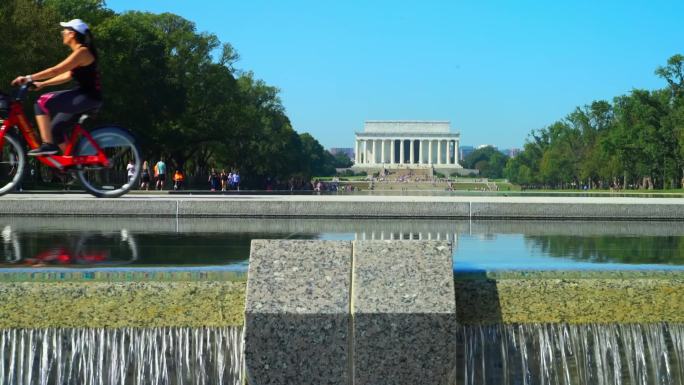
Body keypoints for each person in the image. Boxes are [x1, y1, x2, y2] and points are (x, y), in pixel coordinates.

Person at [12, 19, 102, 156]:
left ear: (72, 34)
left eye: (64, 30)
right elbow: (66, 76)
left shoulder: (82, 52)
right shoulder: (80, 53)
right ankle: (73, 166)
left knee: (41, 102)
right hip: (86, 98)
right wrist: (43, 84)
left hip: (87, 97)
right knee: (55, 130)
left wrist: (29, 78)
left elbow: (56, 70)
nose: (62, 33)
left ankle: (47, 145)